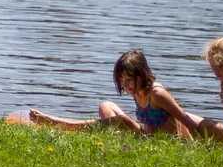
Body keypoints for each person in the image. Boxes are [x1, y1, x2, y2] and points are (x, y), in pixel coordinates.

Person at [25, 49, 198, 138]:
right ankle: (106, 133)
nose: (125, 85)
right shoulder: (137, 93)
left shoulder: (157, 94)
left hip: (164, 143)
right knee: (106, 106)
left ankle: (56, 123)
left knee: (121, 122)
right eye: (122, 80)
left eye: (129, 79)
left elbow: (183, 119)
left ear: (142, 74)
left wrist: (192, 147)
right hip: (148, 138)